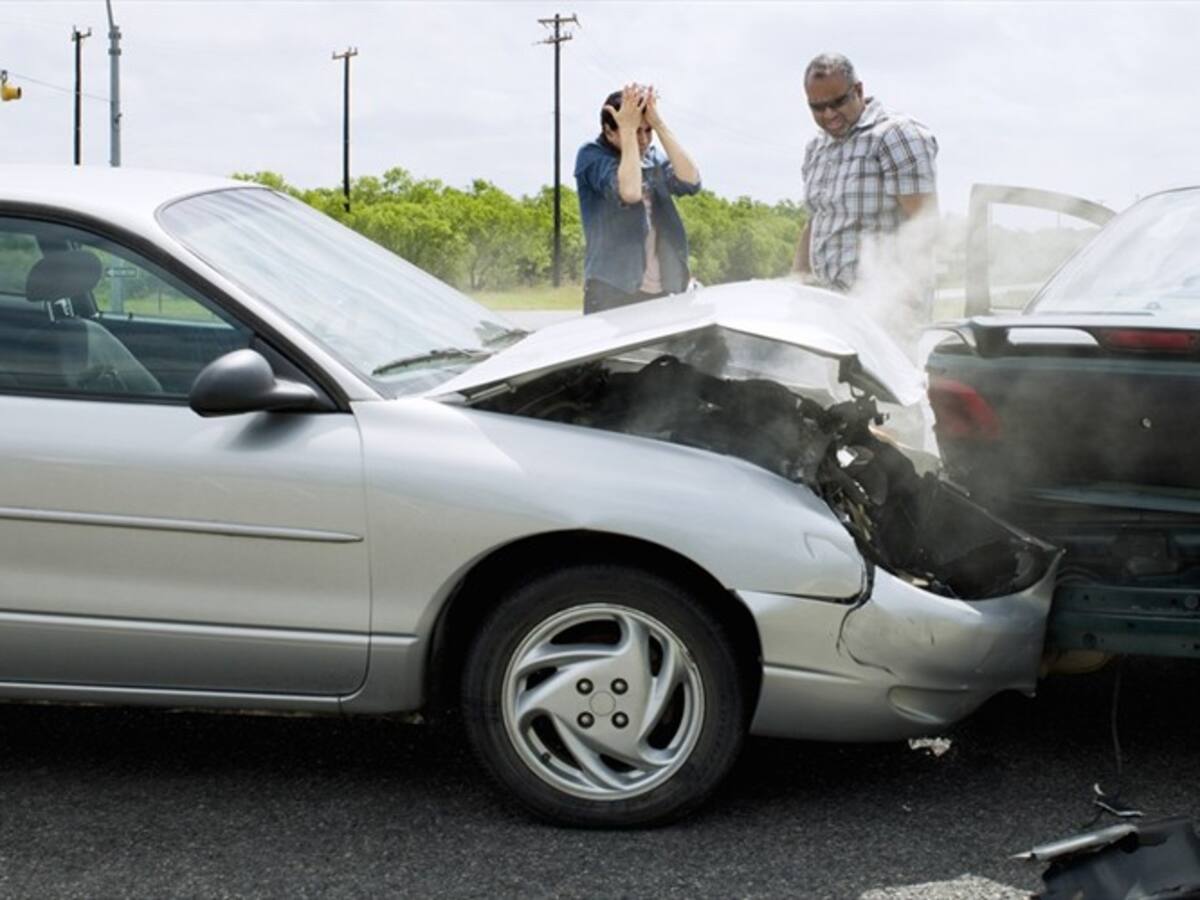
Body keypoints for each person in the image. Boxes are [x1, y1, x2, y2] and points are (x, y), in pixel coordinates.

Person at [793, 53, 939, 301]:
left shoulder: (896, 135)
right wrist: (795, 283)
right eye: (817, 107)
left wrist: (902, 299)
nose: (828, 114)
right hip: (828, 304)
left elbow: (925, 225)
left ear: (858, 90)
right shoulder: (816, 147)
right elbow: (816, 220)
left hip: (884, 304)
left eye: (837, 102)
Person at [574, 84, 701, 314]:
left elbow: (691, 180)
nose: (643, 140)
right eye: (635, 132)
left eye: (647, 131)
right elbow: (630, 191)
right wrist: (627, 127)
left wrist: (659, 125)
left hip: (662, 289)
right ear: (610, 131)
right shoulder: (592, 156)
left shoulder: (652, 157)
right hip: (613, 291)